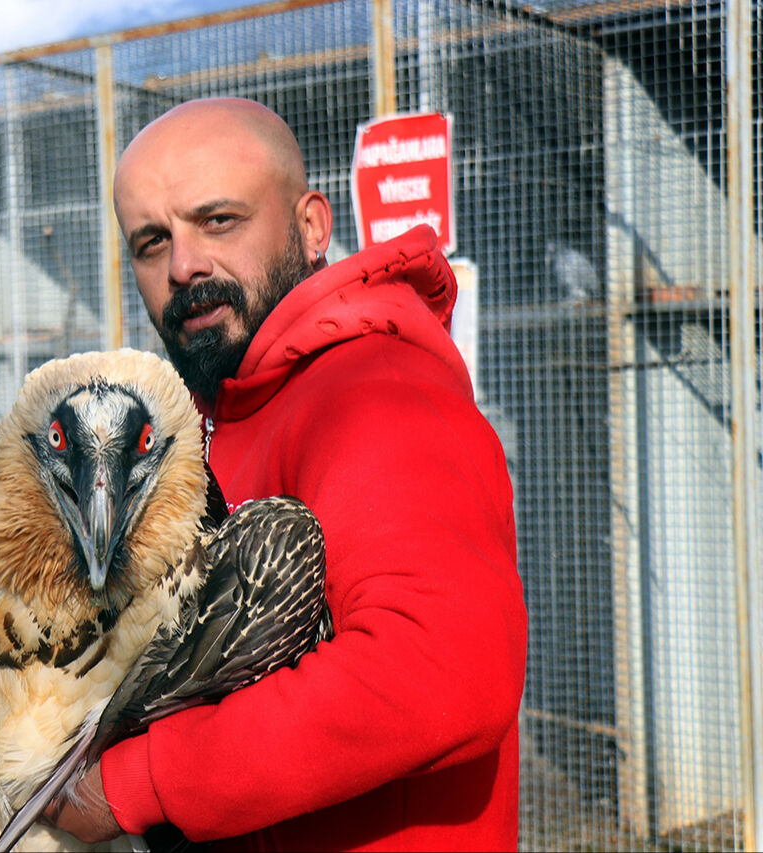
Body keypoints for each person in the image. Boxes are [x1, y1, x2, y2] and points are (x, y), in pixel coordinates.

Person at [45, 98, 527, 851]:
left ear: (310, 226)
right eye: (151, 241)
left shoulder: (376, 388)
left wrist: (135, 783)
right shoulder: (213, 419)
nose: (183, 265)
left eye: (219, 221)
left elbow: (439, 670)